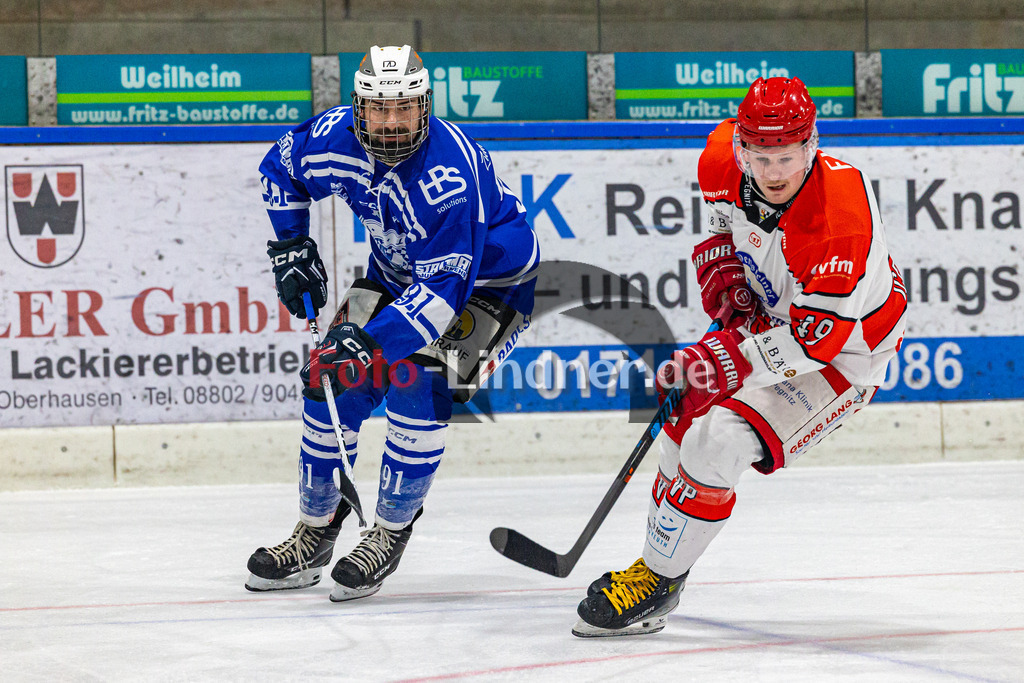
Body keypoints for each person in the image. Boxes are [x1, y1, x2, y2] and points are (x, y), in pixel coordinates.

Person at [572, 77, 907, 637]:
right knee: (680, 421)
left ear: (812, 145)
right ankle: (654, 567)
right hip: (777, 321)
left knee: (720, 441)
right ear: (741, 148)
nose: (775, 172)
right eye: (761, 156)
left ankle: (657, 580)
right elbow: (722, 227)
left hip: (845, 352)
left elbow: (814, 342)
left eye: (789, 156)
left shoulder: (839, 219)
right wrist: (725, 271)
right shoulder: (721, 161)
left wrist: (723, 360)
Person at [245, 45, 538, 601]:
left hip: (488, 288)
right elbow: (279, 169)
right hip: (396, 276)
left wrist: (366, 342)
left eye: (404, 107)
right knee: (327, 377)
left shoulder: (448, 174)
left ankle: (390, 530)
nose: (391, 120)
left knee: (420, 380)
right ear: (359, 108)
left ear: (425, 106)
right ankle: (314, 531)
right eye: (379, 108)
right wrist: (290, 245)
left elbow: (440, 299)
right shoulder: (333, 138)